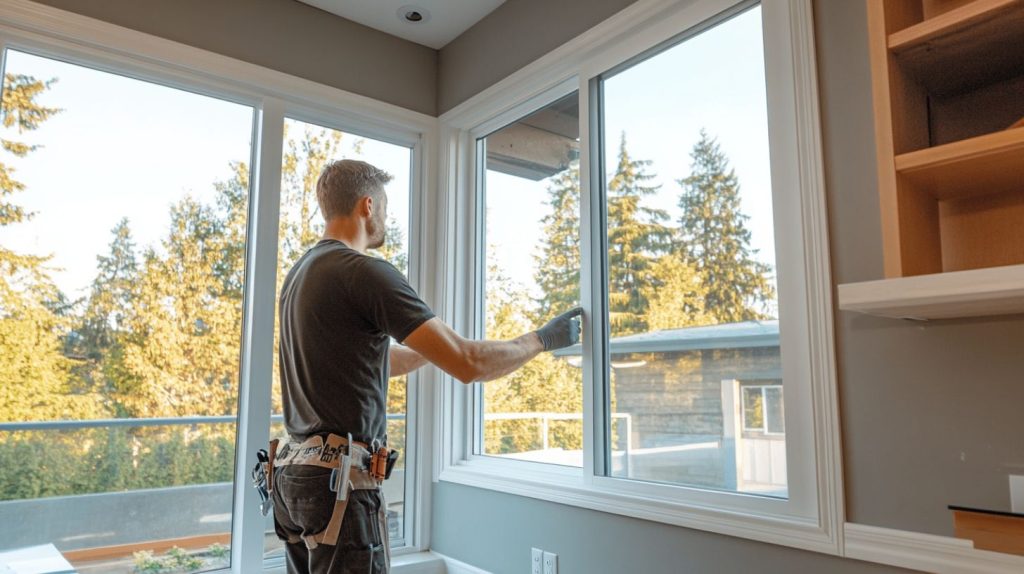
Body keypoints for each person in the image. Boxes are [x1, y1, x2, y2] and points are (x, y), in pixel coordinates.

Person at [271, 159, 582, 574]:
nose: (385, 217)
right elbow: (470, 364)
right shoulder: (363, 271)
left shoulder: (301, 275)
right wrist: (542, 339)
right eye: (383, 207)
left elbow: (372, 360)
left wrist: (434, 347)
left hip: (295, 476)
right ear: (367, 206)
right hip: (337, 483)